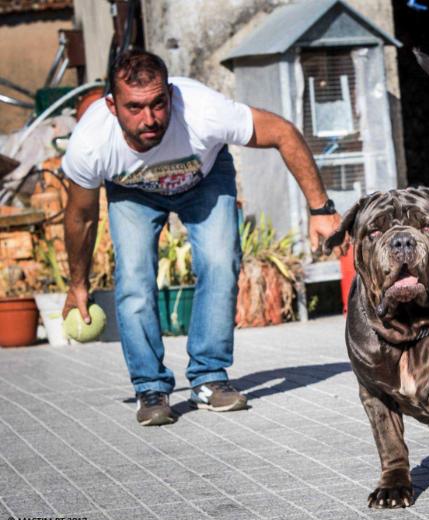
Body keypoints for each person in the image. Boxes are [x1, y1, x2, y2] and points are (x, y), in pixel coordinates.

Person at [61, 49, 341, 426]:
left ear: (171, 96)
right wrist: (77, 283)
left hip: (204, 179)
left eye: (158, 104)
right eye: (135, 108)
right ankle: (150, 387)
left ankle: (209, 379)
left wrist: (321, 209)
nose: (150, 118)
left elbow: (283, 133)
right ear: (112, 106)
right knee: (134, 280)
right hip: (133, 193)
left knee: (220, 261)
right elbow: (80, 216)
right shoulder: (91, 143)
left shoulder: (204, 111)